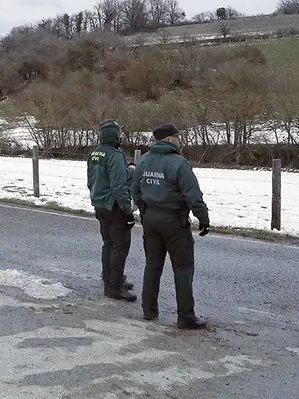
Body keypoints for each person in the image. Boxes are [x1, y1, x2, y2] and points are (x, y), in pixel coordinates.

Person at [131, 123, 210, 329]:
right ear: (168, 139)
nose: (179, 140)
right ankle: (185, 316)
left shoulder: (144, 161)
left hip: (150, 219)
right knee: (183, 268)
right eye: (177, 137)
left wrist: (145, 209)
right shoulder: (179, 163)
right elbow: (192, 194)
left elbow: (135, 190)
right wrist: (203, 218)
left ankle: (148, 310)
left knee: (152, 264)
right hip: (174, 220)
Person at [87, 119, 136, 302]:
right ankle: (114, 287)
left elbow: (90, 180)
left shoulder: (94, 154)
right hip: (114, 206)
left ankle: (110, 278)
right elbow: (119, 185)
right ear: (114, 134)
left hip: (99, 204)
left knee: (108, 243)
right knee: (120, 246)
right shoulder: (114, 155)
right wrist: (127, 210)